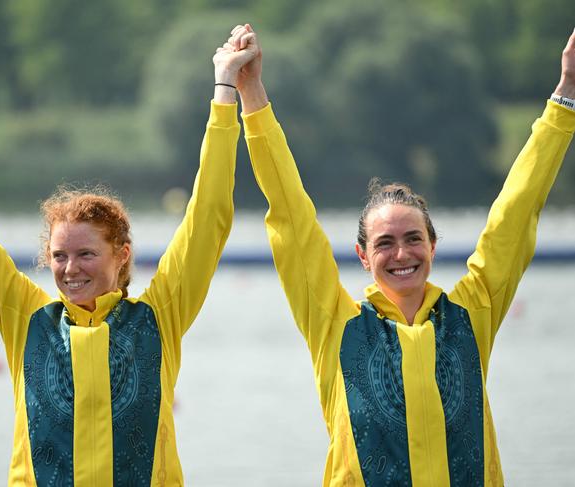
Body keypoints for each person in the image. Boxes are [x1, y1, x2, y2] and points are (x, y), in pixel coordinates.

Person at [223, 24, 575, 485]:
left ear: (432, 246)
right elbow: (290, 218)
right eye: (384, 243)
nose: (401, 253)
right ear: (363, 256)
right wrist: (252, 95)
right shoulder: (335, 323)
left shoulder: (471, 313)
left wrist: (566, 94)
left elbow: (517, 211)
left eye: (413, 239)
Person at [0, 18, 255, 486]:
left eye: (85, 255)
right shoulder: (25, 318)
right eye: (59, 256)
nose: (69, 269)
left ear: (122, 255)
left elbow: (210, 216)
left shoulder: (160, 316)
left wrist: (225, 90)